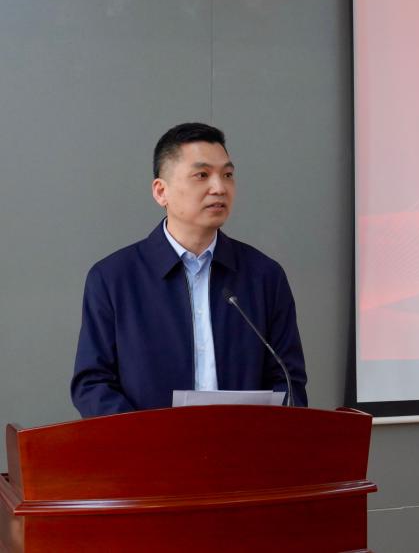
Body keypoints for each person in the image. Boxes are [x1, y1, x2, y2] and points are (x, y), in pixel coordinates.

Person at [71, 123, 307, 417]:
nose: (219, 188)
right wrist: (145, 437)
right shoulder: (113, 279)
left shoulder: (264, 277)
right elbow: (92, 384)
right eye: (202, 175)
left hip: (245, 444)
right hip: (147, 445)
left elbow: (288, 380)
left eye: (227, 175)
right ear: (161, 191)